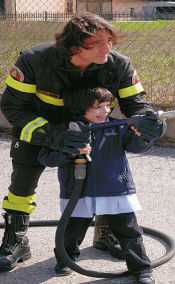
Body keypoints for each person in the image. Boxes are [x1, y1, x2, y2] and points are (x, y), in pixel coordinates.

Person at [0, 12, 166, 271]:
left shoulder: (119, 65)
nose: (108, 48)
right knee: (22, 185)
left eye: (110, 41)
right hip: (39, 131)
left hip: (92, 136)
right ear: (74, 45)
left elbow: (137, 105)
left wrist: (149, 122)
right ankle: (16, 241)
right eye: (98, 43)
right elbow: (12, 106)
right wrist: (52, 135)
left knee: (102, 181)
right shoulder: (33, 60)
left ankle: (104, 232)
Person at [37, 83, 155, 284]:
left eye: (108, 105)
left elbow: (137, 147)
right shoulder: (65, 130)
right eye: (98, 107)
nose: (106, 111)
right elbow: (45, 157)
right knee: (71, 231)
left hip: (115, 189)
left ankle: (141, 269)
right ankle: (66, 260)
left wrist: (144, 135)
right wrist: (71, 151)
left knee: (129, 231)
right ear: (81, 107)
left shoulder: (118, 126)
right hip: (77, 191)